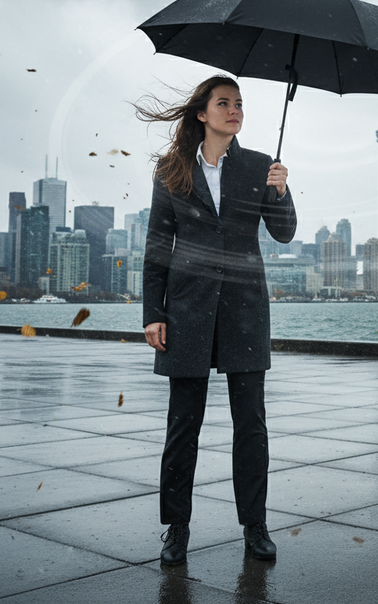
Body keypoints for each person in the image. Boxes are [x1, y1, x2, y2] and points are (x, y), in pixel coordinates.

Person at [138, 75, 296, 566]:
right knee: (182, 427)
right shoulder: (173, 170)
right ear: (202, 114)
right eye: (224, 103)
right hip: (186, 311)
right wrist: (153, 312)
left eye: (239, 104)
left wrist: (281, 190)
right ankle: (176, 529)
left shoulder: (256, 166)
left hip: (245, 311)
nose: (235, 111)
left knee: (251, 425)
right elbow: (157, 249)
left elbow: (285, 233)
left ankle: (255, 525)